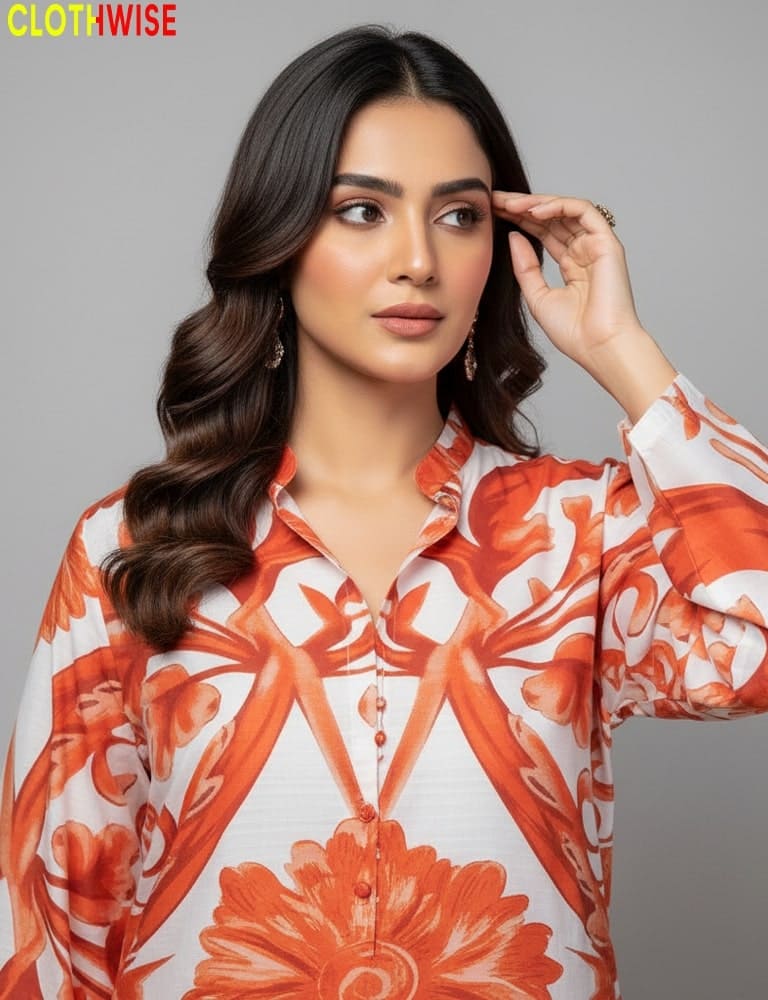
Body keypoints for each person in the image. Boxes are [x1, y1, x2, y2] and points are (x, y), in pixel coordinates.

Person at [1, 21, 766, 1000]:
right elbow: (56, 924)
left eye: (458, 217)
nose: (418, 260)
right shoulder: (134, 546)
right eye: (362, 211)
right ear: (279, 239)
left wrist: (624, 353)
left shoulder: (581, 531)